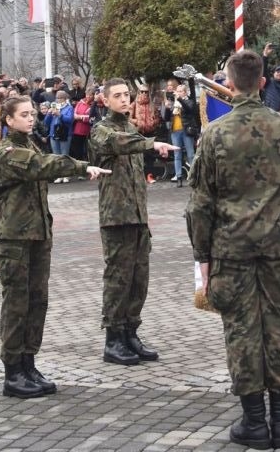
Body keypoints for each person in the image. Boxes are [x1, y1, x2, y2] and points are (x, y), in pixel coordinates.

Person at [186, 49, 280, 451]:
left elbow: (200, 202)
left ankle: (255, 422)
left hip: (232, 247)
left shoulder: (216, 132)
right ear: (263, 82)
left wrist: (202, 256)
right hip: (275, 244)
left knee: (242, 331)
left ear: (230, 84)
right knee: (277, 327)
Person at [0, 95, 108, 398]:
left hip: (38, 236)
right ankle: (13, 370)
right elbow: (42, 166)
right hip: (14, 239)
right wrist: (81, 167)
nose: (31, 118)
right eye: (24, 114)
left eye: (32, 113)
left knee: (37, 301)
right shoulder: (8, 151)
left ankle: (29, 363)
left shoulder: (30, 144)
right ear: (9, 120)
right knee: (17, 304)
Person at [88, 78, 174, 366]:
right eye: (118, 96)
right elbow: (117, 144)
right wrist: (151, 143)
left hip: (138, 215)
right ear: (106, 100)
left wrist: (153, 150)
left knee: (139, 279)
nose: (125, 99)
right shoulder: (102, 129)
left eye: (127, 94)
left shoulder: (132, 127)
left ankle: (130, 332)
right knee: (118, 279)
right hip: (116, 216)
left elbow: (134, 152)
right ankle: (113, 338)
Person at [164, 81, 199, 187]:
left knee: (190, 154)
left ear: (185, 92)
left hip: (186, 130)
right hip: (175, 131)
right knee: (177, 155)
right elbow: (166, 118)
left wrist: (179, 99)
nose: (178, 93)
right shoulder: (174, 103)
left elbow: (189, 110)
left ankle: (194, 176)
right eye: (177, 91)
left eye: (180, 91)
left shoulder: (188, 101)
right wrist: (166, 108)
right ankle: (179, 177)